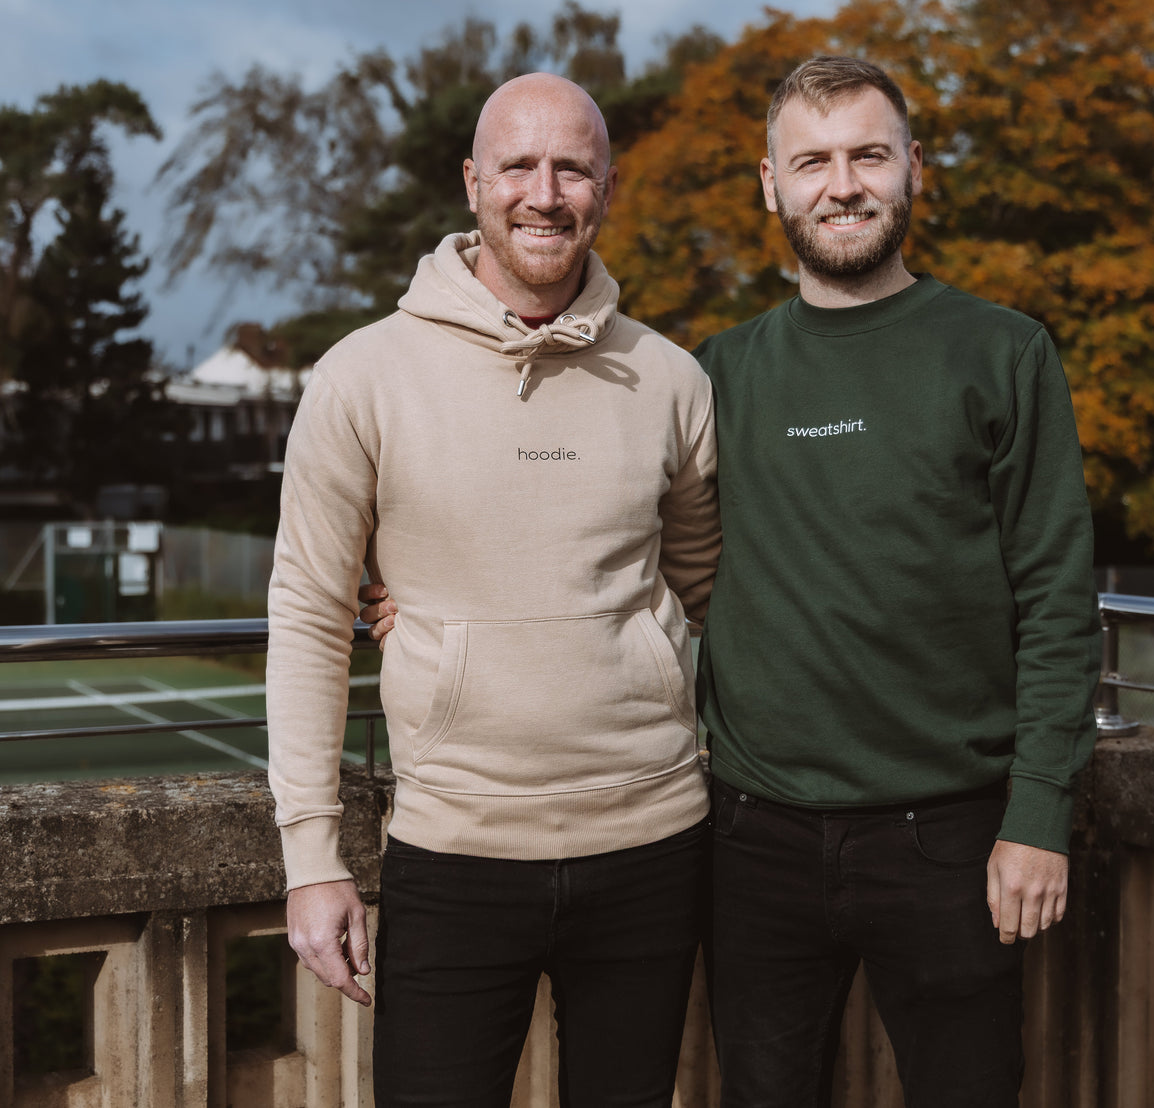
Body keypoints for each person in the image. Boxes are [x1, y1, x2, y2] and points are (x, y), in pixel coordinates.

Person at [364, 55, 1100, 1108]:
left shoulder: (1001, 354)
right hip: (753, 839)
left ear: (913, 171)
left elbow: (1057, 601)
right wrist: (418, 583)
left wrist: (1037, 813)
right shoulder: (715, 372)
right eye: (811, 161)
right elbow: (630, 548)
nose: (839, 184)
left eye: (866, 156)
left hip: (949, 836)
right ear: (770, 183)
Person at [266, 72, 721, 1107]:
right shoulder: (361, 377)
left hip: (651, 845)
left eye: (571, 167)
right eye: (518, 164)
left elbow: (696, 582)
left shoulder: (671, 380)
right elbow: (304, 615)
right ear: (473, 182)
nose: (543, 192)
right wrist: (310, 854)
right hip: (452, 853)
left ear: (605, 187)